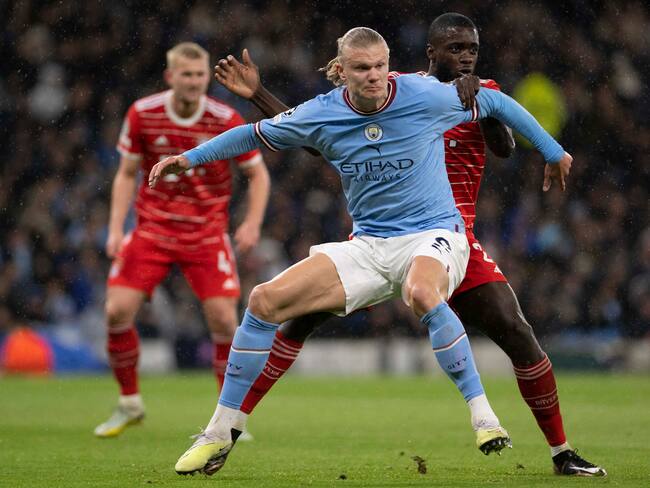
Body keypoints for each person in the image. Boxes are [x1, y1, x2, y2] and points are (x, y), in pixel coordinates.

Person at [149, 27, 571, 476]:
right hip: (369, 243)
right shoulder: (323, 112)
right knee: (262, 301)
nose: (373, 76)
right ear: (341, 72)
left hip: (434, 234)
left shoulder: (425, 95)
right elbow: (255, 134)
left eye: (378, 67)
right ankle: (218, 433)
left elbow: (498, 107)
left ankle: (484, 418)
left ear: (389, 65)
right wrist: (189, 158)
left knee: (426, 293)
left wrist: (552, 150)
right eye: (361, 68)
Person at [93, 42, 270, 438]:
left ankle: (228, 419)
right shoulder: (143, 113)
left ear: (207, 77)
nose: (193, 81)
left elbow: (257, 174)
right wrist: (115, 227)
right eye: (186, 75)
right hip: (153, 230)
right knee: (116, 311)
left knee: (225, 320)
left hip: (206, 233)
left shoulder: (225, 118)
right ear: (170, 77)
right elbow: (125, 173)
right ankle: (129, 404)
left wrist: (252, 223)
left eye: (199, 75)